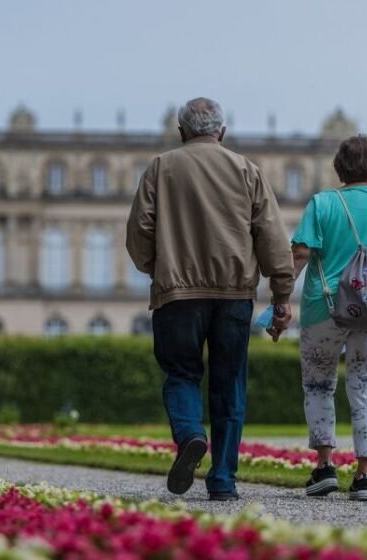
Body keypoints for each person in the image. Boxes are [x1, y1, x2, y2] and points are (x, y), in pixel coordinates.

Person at [126, 97, 294, 501]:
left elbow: (138, 233)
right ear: (222, 132)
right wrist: (283, 295)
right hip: (234, 295)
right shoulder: (246, 170)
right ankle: (222, 479)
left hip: (177, 294)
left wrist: (158, 268)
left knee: (181, 374)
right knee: (229, 383)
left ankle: (189, 435)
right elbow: (272, 237)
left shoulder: (161, 168)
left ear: (182, 131)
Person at [290, 134, 367, 502]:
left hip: (322, 310)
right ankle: (364, 477)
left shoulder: (322, 203)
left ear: (338, 168)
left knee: (318, 386)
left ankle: (325, 466)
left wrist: (280, 297)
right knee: (365, 389)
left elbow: (298, 255)